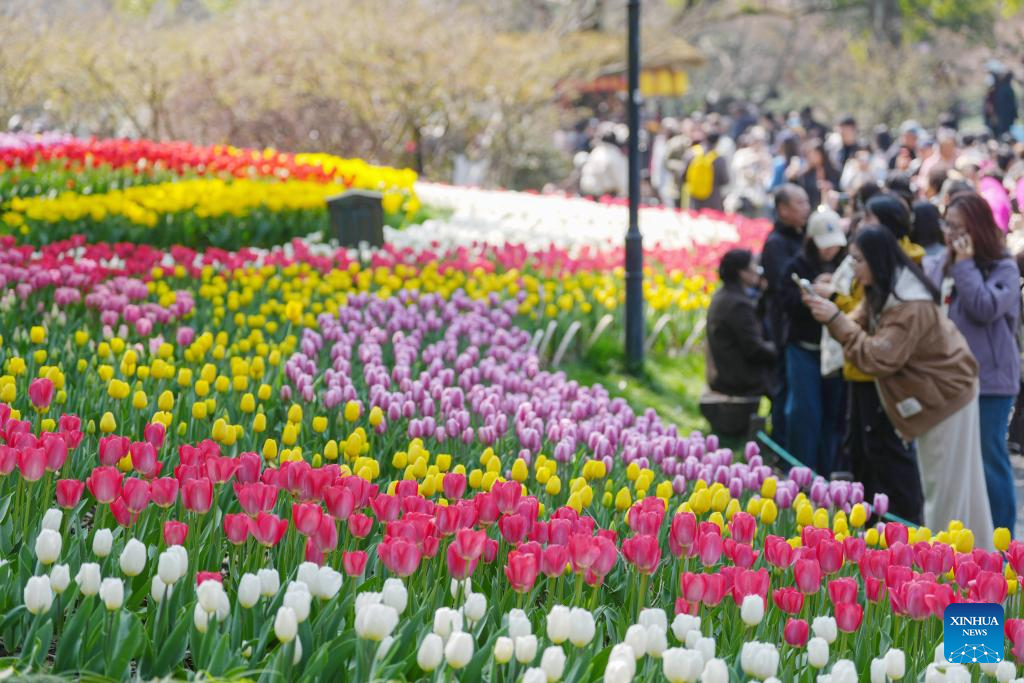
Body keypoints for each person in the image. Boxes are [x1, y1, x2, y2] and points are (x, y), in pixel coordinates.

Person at [804, 226, 994, 545]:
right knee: (959, 488)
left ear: (877, 260)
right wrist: (834, 311)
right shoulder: (885, 287)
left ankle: (946, 566)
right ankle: (974, 559)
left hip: (946, 398)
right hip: (937, 393)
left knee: (944, 489)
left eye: (858, 260)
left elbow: (878, 357)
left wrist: (835, 318)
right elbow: (859, 324)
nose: (853, 268)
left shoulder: (910, 303)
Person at [925, 192, 1021, 533]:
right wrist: (950, 263)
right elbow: (926, 300)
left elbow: (984, 307)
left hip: (991, 381)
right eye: (946, 224)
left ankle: (1002, 539)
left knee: (988, 458)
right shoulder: (943, 261)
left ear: (977, 229)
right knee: (956, 461)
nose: (949, 233)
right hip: (950, 378)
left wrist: (964, 266)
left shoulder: (1004, 268)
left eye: (957, 227)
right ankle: (967, 534)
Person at [778, 208, 846, 475]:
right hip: (804, 349)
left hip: (835, 352)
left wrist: (837, 292)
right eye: (825, 247)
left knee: (832, 417)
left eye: (834, 247)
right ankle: (800, 474)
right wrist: (804, 300)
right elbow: (783, 303)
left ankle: (825, 474)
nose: (830, 252)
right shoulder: (795, 266)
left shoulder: (846, 265)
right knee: (805, 415)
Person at [760, 184, 812, 448]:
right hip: (783, 325)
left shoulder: (801, 236)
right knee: (784, 385)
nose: (807, 208)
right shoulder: (776, 244)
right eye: (800, 204)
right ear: (782, 210)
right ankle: (779, 445)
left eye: (806, 202)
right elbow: (784, 289)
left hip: (797, 326)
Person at [706, 249, 777, 397]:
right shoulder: (737, 304)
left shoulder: (724, 295)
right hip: (738, 379)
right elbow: (754, 348)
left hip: (727, 372)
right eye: (754, 267)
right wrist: (781, 350)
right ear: (742, 273)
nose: (758, 273)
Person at [682, 130, 730, 212]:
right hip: (713, 200)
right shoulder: (719, 159)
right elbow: (725, 180)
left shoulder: (691, 153)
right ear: (717, 142)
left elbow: (682, 176)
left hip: (694, 199)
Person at [579, 124, 628, 198]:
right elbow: (619, 176)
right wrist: (624, 192)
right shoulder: (614, 154)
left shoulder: (596, 152)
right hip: (606, 195)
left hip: (588, 192)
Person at [794, 139, 840, 209]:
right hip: (812, 207)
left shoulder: (833, 170)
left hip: (831, 207)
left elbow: (839, 187)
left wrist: (830, 186)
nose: (812, 157)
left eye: (815, 154)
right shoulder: (805, 174)